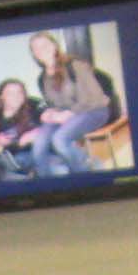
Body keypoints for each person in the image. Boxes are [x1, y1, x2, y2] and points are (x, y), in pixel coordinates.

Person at [24, 30, 120, 174]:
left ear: (54, 46)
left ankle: (87, 171)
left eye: (44, 45)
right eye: (35, 48)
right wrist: (49, 113)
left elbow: (96, 97)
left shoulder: (74, 65)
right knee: (39, 144)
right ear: (33, 54)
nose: (40, 50)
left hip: (93, 110)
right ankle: (47, 186)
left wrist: (70, 113)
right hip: (68, 115)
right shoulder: (42, 78)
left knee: (59, 140)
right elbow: (55, 104)